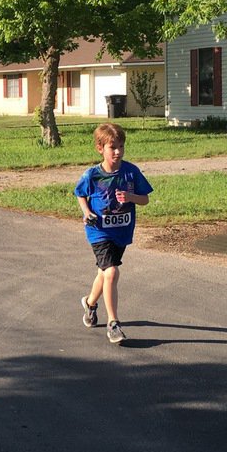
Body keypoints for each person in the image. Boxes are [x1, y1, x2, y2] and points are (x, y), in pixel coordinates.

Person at [75, 123, 152, 344]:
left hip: (121, 231)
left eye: (121, 146)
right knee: (111, 273)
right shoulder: (92, 175)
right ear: (100, 148)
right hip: (98, 231)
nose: (117, 151)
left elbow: (144, 199)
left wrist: (130, 197)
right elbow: (80, 194)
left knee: (104, 273)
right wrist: (87, 211)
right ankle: (113, 324)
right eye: (112, 147)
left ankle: (90, 304)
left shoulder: (131, 171)